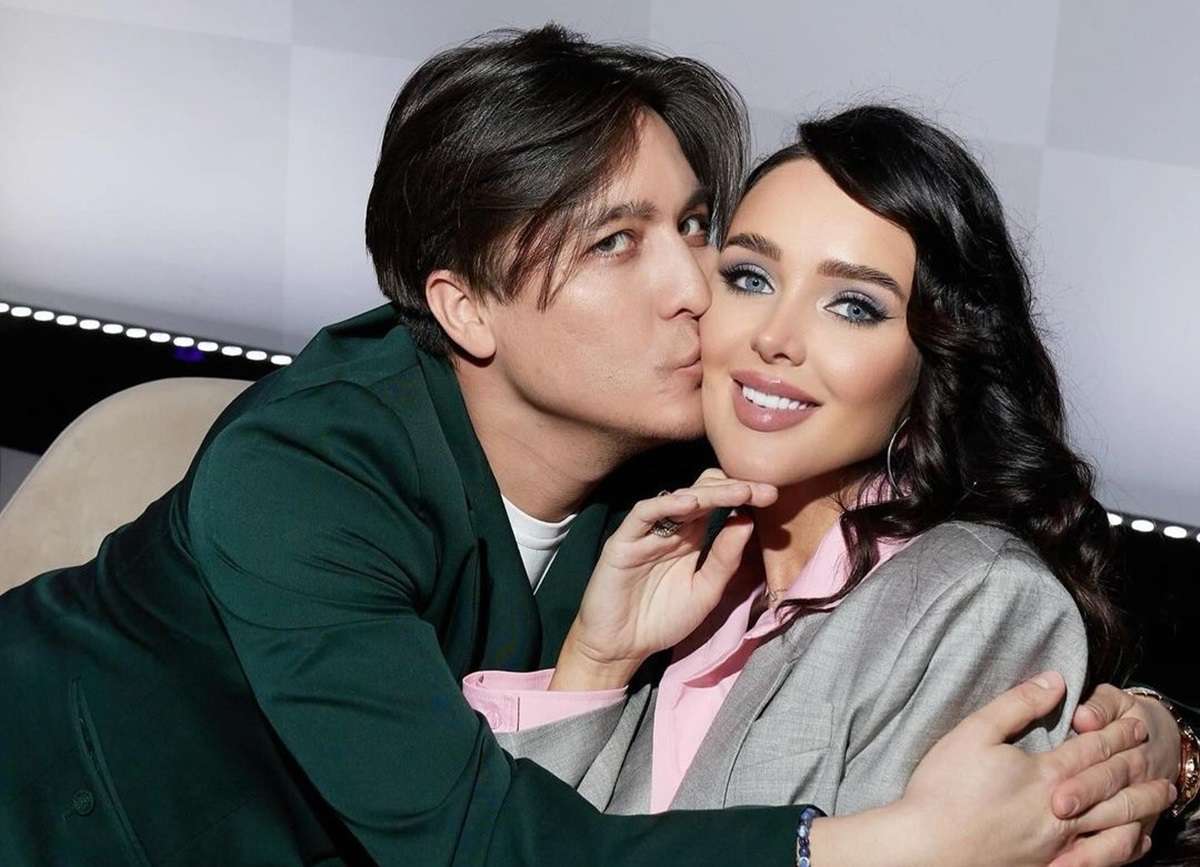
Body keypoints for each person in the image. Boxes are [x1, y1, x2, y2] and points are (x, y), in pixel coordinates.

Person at [0, 26, 1182, 867]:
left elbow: (957, 608)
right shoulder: (305, 476)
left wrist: (1157, 754)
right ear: (467, 309)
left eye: (698, 227)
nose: (698, 288)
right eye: (616, 242)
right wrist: (869, 849)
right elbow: (476, 843)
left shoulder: (700, 463)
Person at [463, 107, 1200, 862]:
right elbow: (509, 845)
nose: (774, 338)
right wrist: (596, 662)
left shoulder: (974, 600)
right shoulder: (671, 565)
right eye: (750, 278)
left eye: (853, 306)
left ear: (936, 357)